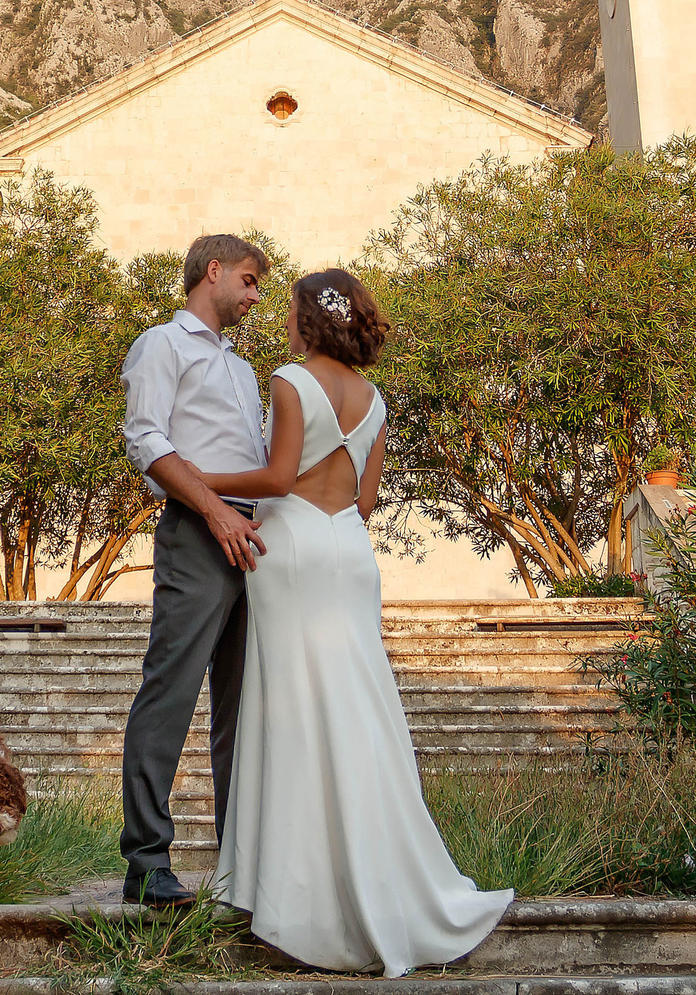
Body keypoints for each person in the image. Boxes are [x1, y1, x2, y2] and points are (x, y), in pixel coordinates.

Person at [201, 269, 513, 973]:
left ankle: (294, 900)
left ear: (309, 318)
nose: (284, 320)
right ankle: (376, 875)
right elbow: (365, 501)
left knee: (291, 713)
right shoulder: (375, 400)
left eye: (289, 310)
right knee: (356, 707)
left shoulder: (290, 380)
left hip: (293, 549)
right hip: (349, 550)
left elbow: (278, 478)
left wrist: (197, 477)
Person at [115, 234, 272, 908]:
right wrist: (215, 511)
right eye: (249, 280)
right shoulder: (163, 344)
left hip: (254, 540)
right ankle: (146, 864)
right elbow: (145, 439)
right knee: (170, 692)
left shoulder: (244, 369)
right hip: (199, 531)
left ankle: (240, 867)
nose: (255, 295)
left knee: (243, 708)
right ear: (214, 271)